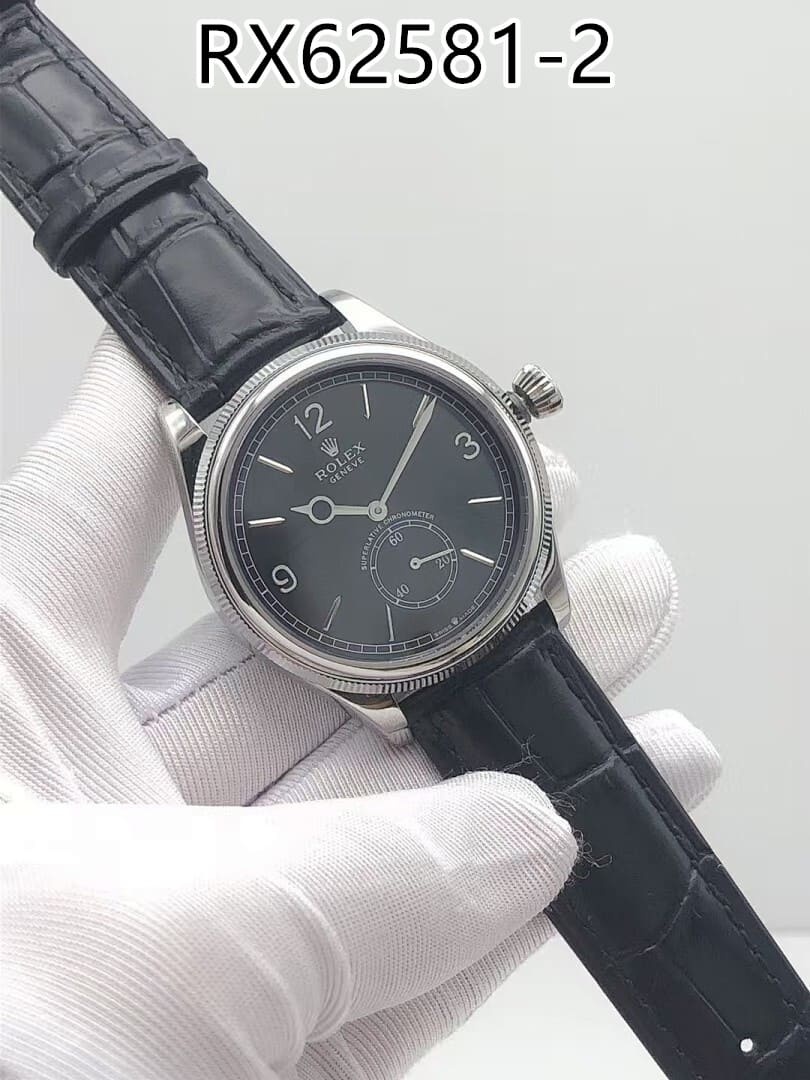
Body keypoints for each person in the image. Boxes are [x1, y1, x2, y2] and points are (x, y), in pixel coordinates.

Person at [0, 331, 720, 1079]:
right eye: (348, 512)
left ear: (514, 409)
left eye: (385, 502)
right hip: (391, 663)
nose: (379, 512)